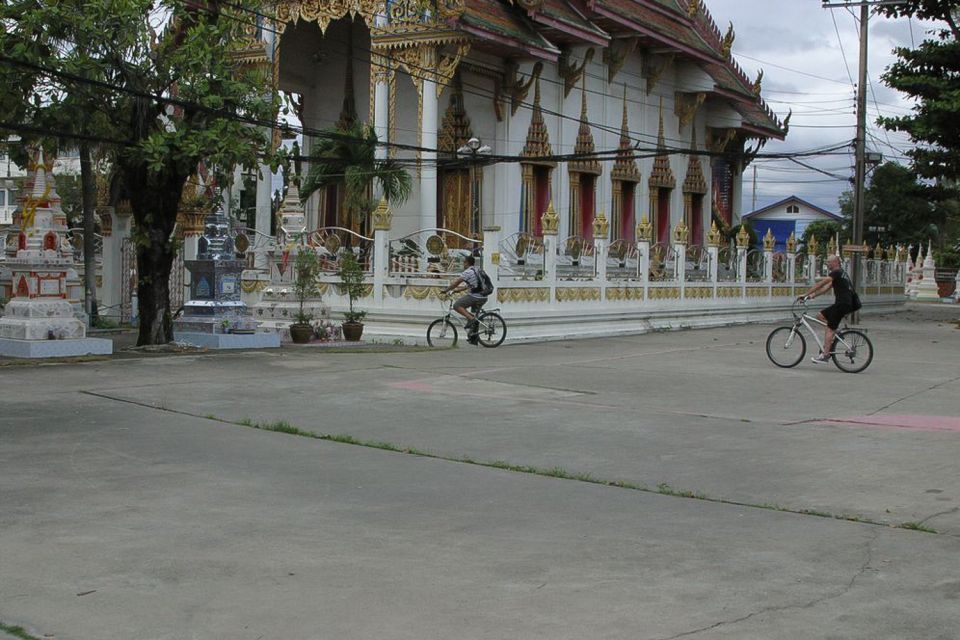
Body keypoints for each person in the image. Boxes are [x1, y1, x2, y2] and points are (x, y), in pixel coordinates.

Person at [798, 254, 855, 364]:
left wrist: (805, 293)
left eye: (829, 262)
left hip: (842, 304)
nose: (827, 264)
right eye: (827, 262)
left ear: (835, 263)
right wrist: (810, 296)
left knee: (829, 328)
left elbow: (820, 284)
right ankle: (834, 331)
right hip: (845, 304)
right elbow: (825, 289)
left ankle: (825, 355)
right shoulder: (840, 273)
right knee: (820, 316)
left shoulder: (836, 272)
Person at [442, 255, 487, 344]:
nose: (463, 264)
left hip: (476, 296)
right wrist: (457, 290)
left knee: (457, 305)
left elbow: (456, 282)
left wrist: (446, 290)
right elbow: (470, 285)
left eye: (464, 262)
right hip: (483, 296)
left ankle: (471, 319)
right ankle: (473, 337)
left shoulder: (467, 272)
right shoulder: (476, 270)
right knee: (470, 314)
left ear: (467, 263)